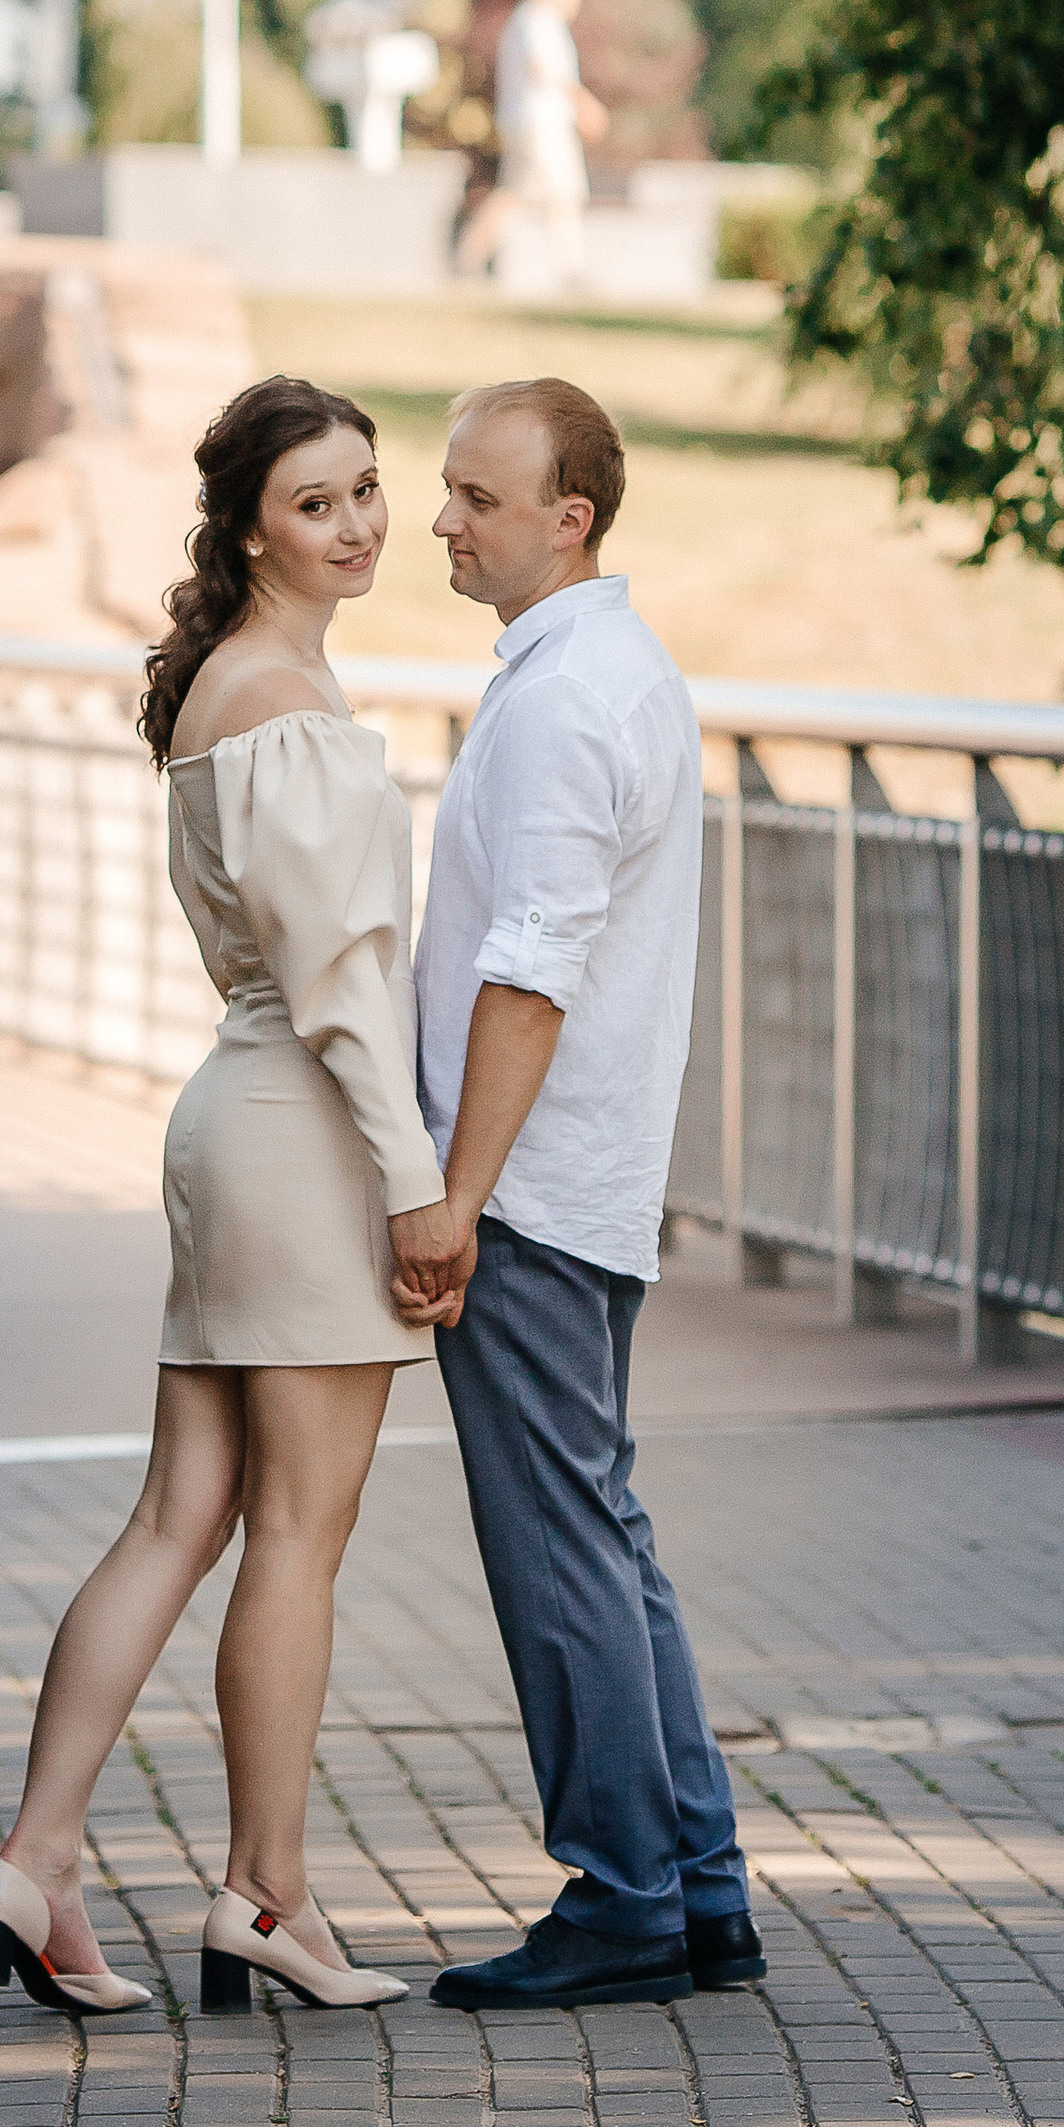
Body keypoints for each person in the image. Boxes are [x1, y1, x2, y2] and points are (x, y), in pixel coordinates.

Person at [0, 376, 464, 2023]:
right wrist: (418, 1190)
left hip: (231, 1123)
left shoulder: (233, 687)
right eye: (322, 501)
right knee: (297, 1539)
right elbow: (340, 987)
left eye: (373, 490)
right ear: (252, 525)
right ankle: (269, 1897)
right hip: (305, 1134)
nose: (365, 522)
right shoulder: (286, 707)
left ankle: (33, 1863)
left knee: (182, 1516)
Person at [391, 375, 763, 2010]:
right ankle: (699, 1883)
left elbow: (527, 971)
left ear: (571, 518)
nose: (443, 523)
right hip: (588, 1175)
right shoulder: (620, 670)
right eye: (448, 490)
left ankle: (623, 1897)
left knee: (557, 1543)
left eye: (477, 498)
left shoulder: (557, 701)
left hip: (534, 1188)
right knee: (608, 1528)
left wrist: (455, 1196)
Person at [461, 0, 609, 287]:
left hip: (534, 123)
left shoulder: (532, 20)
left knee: (544, 195)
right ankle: (472, 258)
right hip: (540, 124)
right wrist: (584, 105)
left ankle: (567, 268)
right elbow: (544, 68)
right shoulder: (537, 19)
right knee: (539, 194)